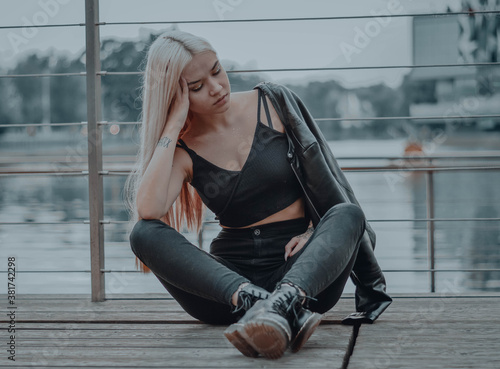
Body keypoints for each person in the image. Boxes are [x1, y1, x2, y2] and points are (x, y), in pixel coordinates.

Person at [125, 30, 392, 360]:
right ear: (176, 95)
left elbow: (329, 185)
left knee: (348, 214)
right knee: (142, 233)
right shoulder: (182, 149)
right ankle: (257, 303)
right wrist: (171, 126)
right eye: (196, 87)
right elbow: (148, 209)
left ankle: (284, 302)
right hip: (229, 288)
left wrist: (313, 233)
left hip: (303, 272)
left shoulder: (273, 103)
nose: (217, 87)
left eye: (216, 70)